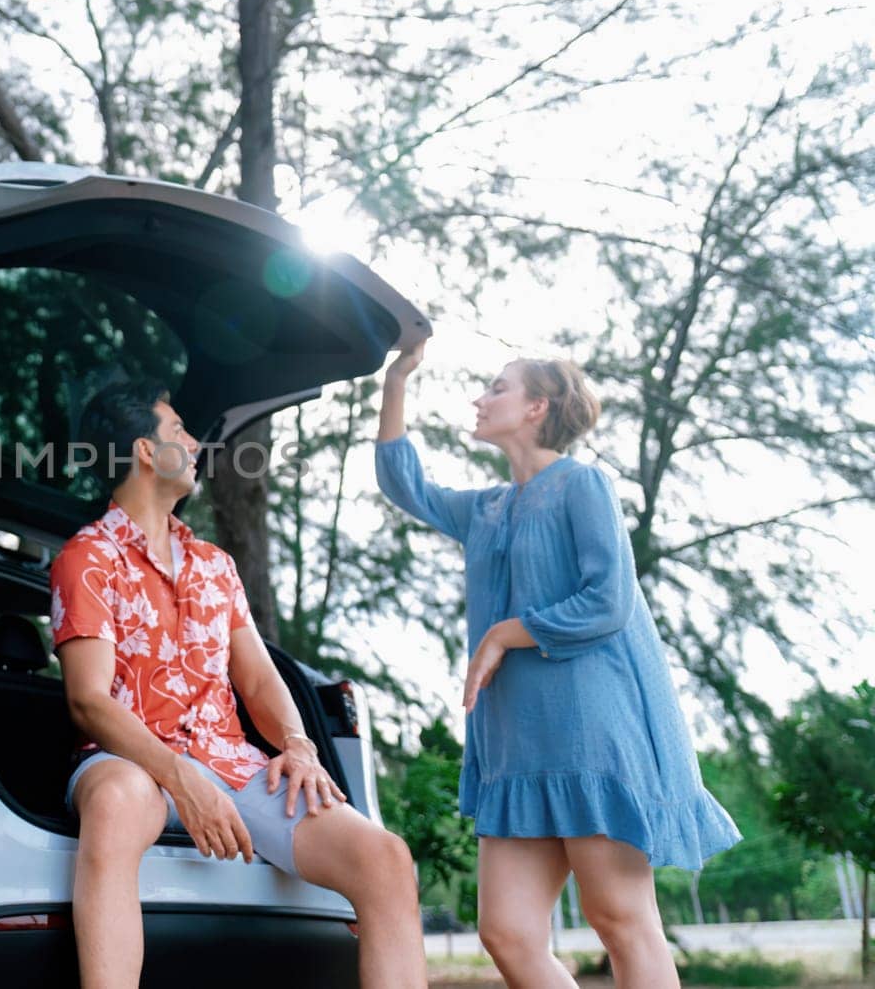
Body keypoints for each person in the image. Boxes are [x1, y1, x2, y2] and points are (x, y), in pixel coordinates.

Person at [375, 341, 740, 988]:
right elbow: (404, 485)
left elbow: (609, 599)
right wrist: (397, 379)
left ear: (537, 406)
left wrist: (506, 634)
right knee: (508, 931)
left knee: (620, 918)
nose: (480, 399)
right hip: (515, 749)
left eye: (497, 388)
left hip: (592, 735)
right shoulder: (484, 508)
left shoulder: (582, 484)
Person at [51, 379, 428, 989]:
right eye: (178, 430)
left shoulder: (216, 567)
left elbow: (257, 677)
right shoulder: (87, 558)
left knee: (385, 858)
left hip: (232, 762)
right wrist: (181, 779)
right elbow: (88, 701)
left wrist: (299, 747)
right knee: (118, 802)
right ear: (145, 451)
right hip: (130, 759)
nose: (195, 443)